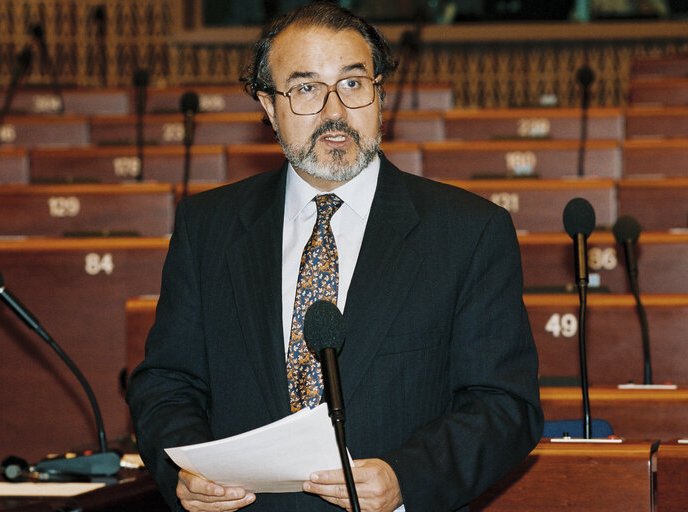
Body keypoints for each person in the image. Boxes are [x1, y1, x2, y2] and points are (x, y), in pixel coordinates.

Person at [126, 3, 543, 511]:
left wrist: (405, 477)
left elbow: (504, 405)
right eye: (305, 88)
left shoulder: (468, 232)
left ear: (379, 92)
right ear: (267, 105)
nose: (335, 112)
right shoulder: (207, 226)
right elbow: (167, 382)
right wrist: (185, 471)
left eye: (352, 83)